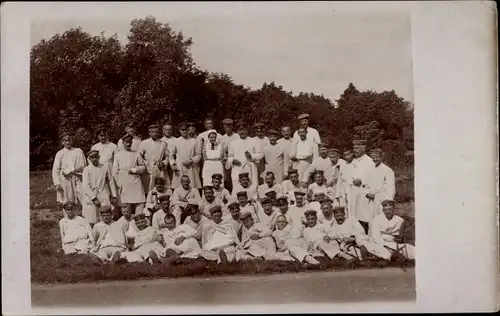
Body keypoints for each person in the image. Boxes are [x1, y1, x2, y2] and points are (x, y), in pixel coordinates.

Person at [112, 134, 147, 216]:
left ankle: (138, 218)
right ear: (123, 143)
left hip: (135, 180)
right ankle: (126, 219)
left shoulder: (136, 154)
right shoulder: (118, 155)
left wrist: (135, 170)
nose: (128, 144)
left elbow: (143, 167)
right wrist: (118, 182)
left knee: (139, 201)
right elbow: (115, 171)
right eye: (126, 142)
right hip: (124, 181)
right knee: (125, 203)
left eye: (130, 142)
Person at [52, 134, 87, 212]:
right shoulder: (60, 153)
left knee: (84, 196)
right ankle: (68, 219)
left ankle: (87, 217)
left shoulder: (78, 151)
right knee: (68, 200)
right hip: (65, 179)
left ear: (72, 141)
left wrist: (73, 171)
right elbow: (56, 169)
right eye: (65, 141)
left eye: (69, 140)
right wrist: (57, 183)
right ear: (63, 142)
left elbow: (84, 165)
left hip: (78, 176)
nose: (68, 142)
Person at [82, 150, 117, 225]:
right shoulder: (86, 169)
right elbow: (86, 186)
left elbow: (110, 181)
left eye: (96, 157)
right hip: (91, 195)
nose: (94, 159)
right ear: (89, 159)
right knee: (92, 218)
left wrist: (114, 195)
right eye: (92, 157)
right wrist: (94, 198)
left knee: (105, 216)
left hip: (103, 193)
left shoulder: (104, 167)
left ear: (99, 157)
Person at [350, 140, 376, 233]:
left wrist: (362, 180)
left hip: (364, 191)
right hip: (353, 191)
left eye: (357, 148)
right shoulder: (354, 161)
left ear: (363, 149)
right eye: (354, 148)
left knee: (364, 215)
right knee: (354, 213)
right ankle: (356, 234)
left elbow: (374, 176)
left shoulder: (369, 161)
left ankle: (366, 234)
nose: (354, 150)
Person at [227, 123, 263, 189]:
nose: (241, 132)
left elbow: (260, 154)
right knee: (237, 186)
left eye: (243, 130)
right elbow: (229, 157)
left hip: (250, 167)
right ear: (237, 131)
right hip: (238, 168)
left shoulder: (254, 141)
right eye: (240, 130)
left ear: (247, 130)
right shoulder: (233, 143)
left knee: (252, 186)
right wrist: (233, 160)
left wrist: (251, 156)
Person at [364, 148, 396, 220]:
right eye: (373, 157)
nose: (375, 159)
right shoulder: (371, 169)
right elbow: (366, 184)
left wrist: (387, 203)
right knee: (372, 220)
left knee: (382, 219)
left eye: (377, 157)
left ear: (381, 157)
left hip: (382, 200)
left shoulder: (387, 170)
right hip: (371, 200)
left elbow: (390, 188)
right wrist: (367, 193)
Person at [138, 124, 170, 192]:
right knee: (148, 188)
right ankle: (149, 201)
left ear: (159, 132)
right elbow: (139, 155)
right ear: (149, 133)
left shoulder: (163, 143)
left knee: (160, 187)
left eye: (156, 132)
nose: (155, 134)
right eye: (152, 132)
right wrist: (145, 164)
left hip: (159, 168)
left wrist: (163, 163)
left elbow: (167, 156)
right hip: (148, 168)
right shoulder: (144, 143)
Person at [170, 122, 202, 189]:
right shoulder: (176, 141)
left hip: (191, 167)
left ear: (189, 130)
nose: (184, 131)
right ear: (180, 130)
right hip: (179, 166)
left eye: (186, 130)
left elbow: (199, 155)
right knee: (178, 186)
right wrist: (173, 164)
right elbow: (171, 155)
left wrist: (191, 161)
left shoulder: (194, 141)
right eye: (182, 130)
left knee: (192, 186)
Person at [220, 118, 240, 191]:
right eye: (225, 126)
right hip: (227, 161)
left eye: (229, 126)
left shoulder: (237, 136)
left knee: (236, 178)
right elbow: (221, 151)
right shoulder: (222, 138)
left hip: (236, 161)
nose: (227, 128)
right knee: (228, 180)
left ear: (232, 126)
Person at [335, 148, 356, 217]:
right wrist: (337, 194)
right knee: (344, 208)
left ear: (352, 154)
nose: (347, 157)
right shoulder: (342, 166)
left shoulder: (356, 164)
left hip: (353, 189)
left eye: (348, 154)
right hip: (343, 189)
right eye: (345, 155)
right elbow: (339, 180)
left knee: (353, 208)